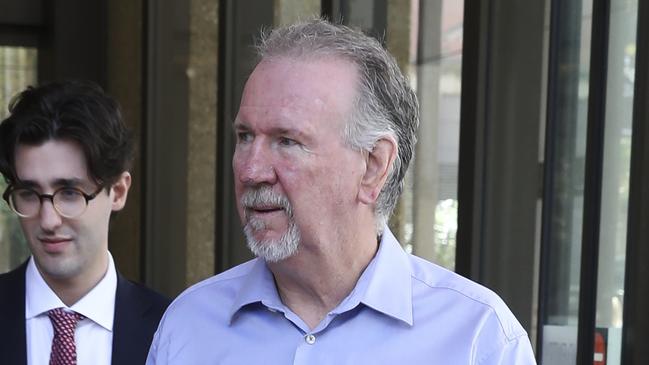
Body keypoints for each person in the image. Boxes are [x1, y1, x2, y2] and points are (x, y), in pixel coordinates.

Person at [147, 19, 537, 364]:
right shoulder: (189, 326)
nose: (251, 170)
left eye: (286, 141)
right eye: (245, 137)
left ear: (373, 166)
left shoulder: (477, 338)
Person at [0, 80, 170, 365]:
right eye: (29, 193)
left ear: (118, 192)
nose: (48, 220)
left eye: (69, 193)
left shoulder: (170, 329)